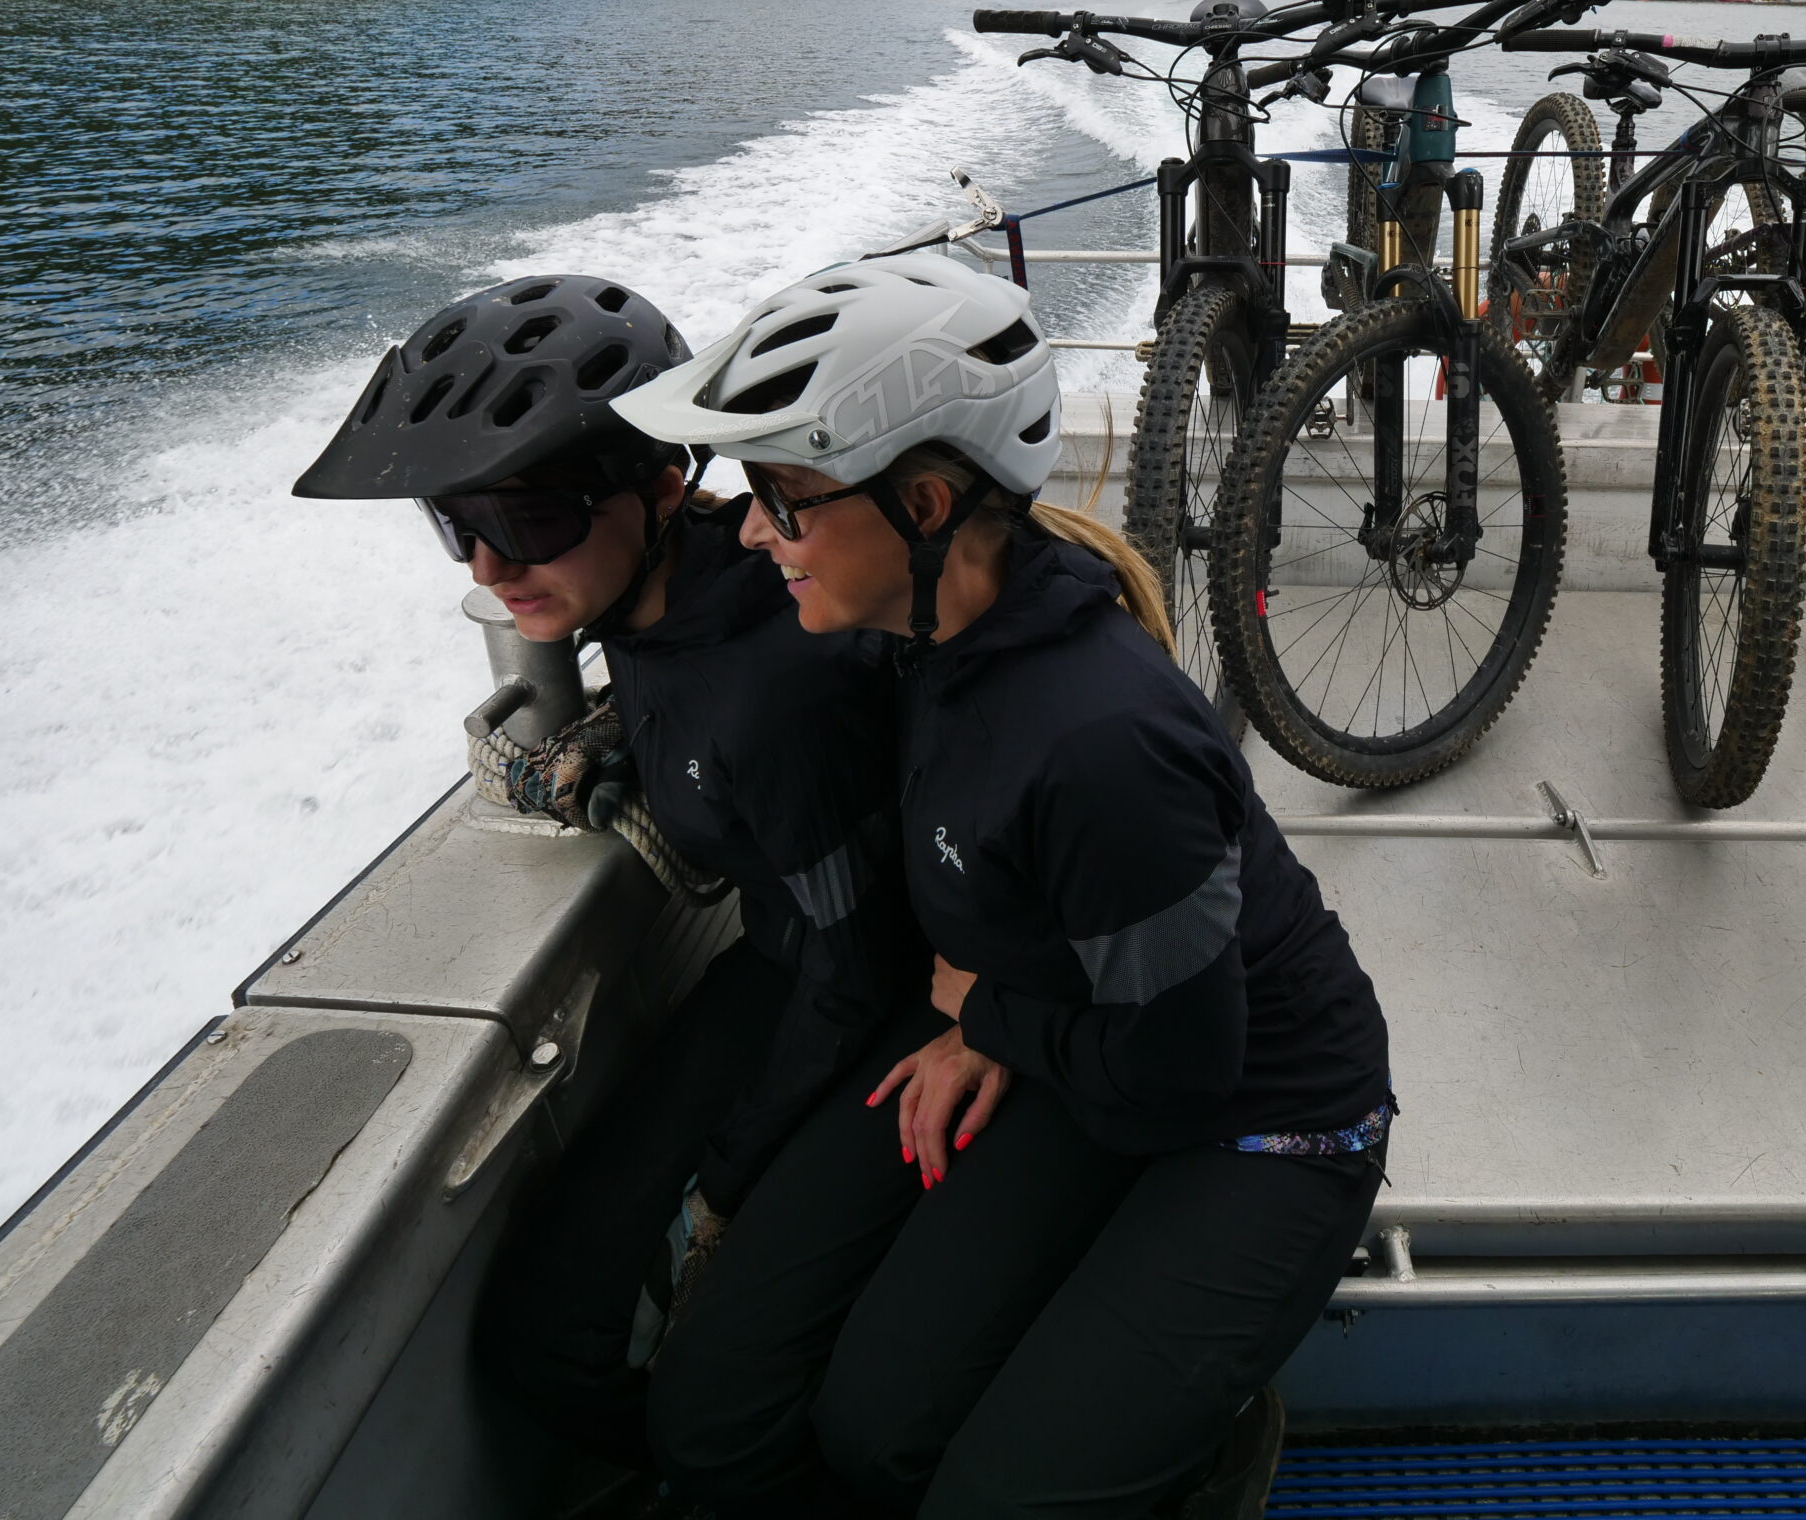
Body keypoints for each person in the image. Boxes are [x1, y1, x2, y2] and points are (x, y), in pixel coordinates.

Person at [614, 251, 1393, 1519]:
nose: (753, 532)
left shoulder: (1098, 746)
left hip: (1257, 1117)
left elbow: (1180, 1076)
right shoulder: (920, 640)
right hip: (1089, 1043)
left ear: (923, 508)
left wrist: (991, 1022)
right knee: (870, 1433)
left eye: (782, 499)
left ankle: (1205, 1449)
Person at [292, 275, 931, 1483]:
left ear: (663, 483)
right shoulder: (659, 595)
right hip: (796, 959)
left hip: (878, 1000)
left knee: (652, 1381)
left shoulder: (772, 689)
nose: (488, 563)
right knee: (547, 1329)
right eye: (454, 521)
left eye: (526, 520)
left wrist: (725, 1179)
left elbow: (857, 968)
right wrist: (603, 753)